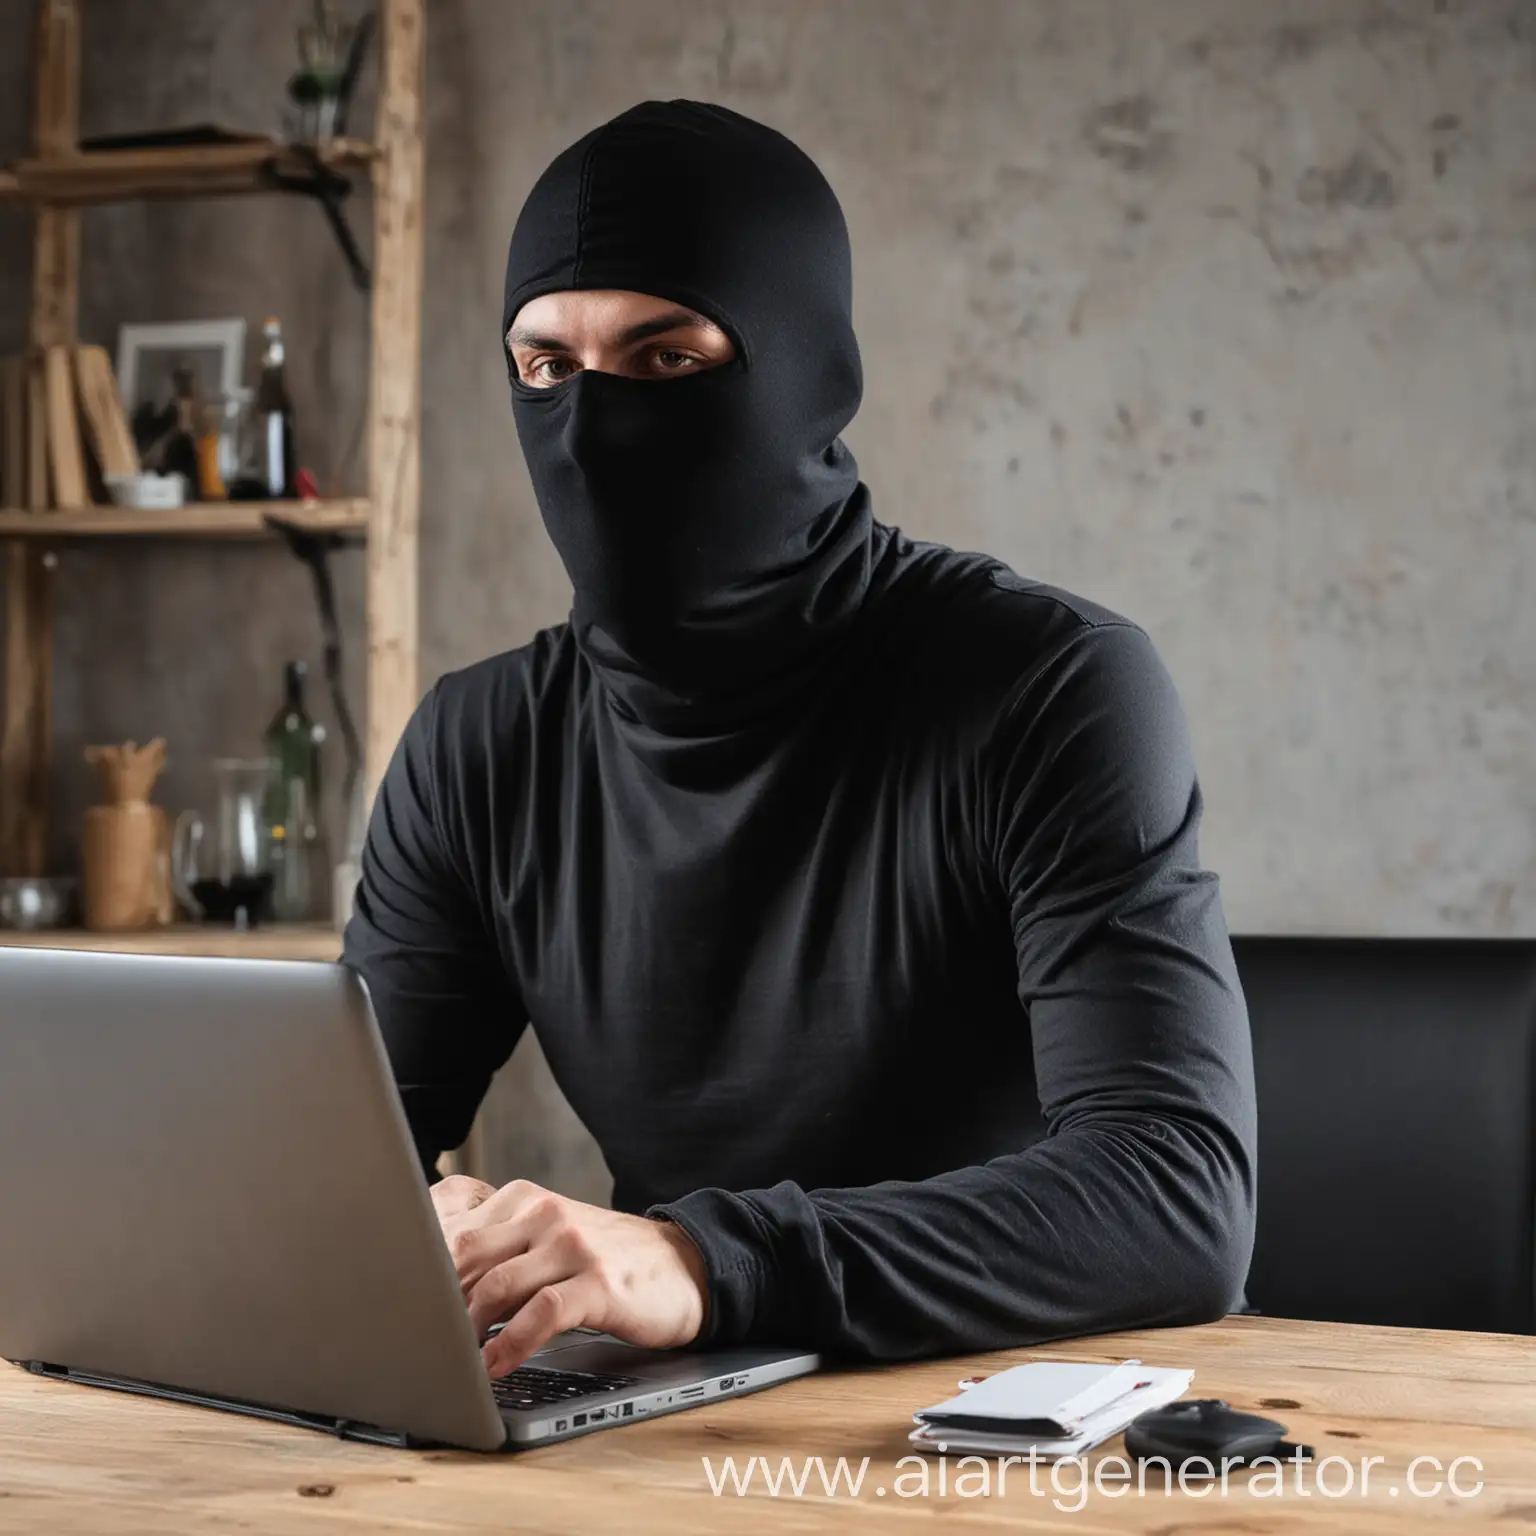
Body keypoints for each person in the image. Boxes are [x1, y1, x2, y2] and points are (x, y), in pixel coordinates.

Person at [343, 100, 1257, 1381]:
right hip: (661, 1424)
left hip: (1003, 1422)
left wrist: (704, 1262)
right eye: (548, 367)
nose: (596, 431)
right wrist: (392, 1231)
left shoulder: (1049, 686)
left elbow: (1176, 1198)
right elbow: (333, 1163)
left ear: (808, 374)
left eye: (666, 361)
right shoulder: (480, 743)